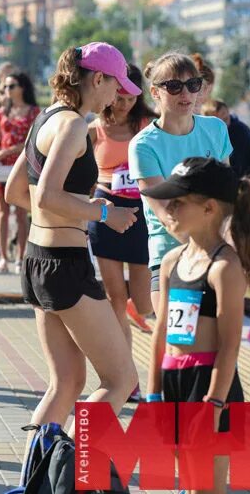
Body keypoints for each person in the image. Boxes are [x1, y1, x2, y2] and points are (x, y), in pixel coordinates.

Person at [4, 42, 140, 451]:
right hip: (64, 265)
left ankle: (36, 480)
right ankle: (77, 470)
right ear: (96, 79)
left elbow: (15, 191)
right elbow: (44, 196)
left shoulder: (46, 118)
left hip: (37, 260)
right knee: (121, 380)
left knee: (66, 383)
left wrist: (66, 216)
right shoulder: (75, 125)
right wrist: (101, 214)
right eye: (116, 86)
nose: (117, 96)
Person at [144, 157, 250, 494]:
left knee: (205, 487)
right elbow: (159, 334)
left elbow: (229, 345)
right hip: (174, 378)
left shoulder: (225, 266)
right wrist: (153, 393)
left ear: (209, 208)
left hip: (211, 384)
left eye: (179, 202)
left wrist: (213, 404)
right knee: (188, 482)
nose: (169, 208)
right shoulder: (171, 261)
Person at [129, 52, 250, 312]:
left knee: (224, 347)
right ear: (155, 92)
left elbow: (226, 196)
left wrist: (247, 187)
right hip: (171, 259)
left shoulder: (215, 129)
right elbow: (167, 215)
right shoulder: (143, 145)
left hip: (218, 254)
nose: (185, 93)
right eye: (174, 86)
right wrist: (213, 252)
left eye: (193, 85)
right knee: (176, 348)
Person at [86, 64, 157, 401]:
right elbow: (84, 178)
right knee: (116, 299)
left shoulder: (147, 125)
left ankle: (157, 368)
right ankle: (128, 378)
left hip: (141, 214)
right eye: (121, 95)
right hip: (105, 211)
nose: (126, 101)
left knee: (144, 303)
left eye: (132, 95)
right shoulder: (93, 129)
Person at [0, 72, 40, 274]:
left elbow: (33, 142)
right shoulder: (2, 112)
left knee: (21, 213)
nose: (7, 91)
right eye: (5, 87)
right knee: (1, 213)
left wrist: (10, 150)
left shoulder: (33, 111)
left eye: (11, 86)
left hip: (22, 167)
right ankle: (3, 257)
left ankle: (20, 256)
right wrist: (0, 152)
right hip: (2, 167)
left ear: (22, 87)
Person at [201, 98, 250, 179]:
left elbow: (236, 168)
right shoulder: (216, 134)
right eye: (218, 117)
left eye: (224, 114)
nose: (223, 116)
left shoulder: (237, 131)